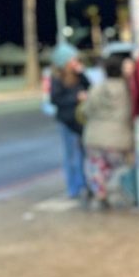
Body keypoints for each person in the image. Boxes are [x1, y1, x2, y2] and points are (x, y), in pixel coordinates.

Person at [82, 55, 134, 210]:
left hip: (94, 137)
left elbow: (86, 110)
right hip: (119, 139)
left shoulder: (96, 88)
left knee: (96, 167)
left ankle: (100, 195)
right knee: (120, 168)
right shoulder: (127, 89)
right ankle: (116, 193)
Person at [49, 43, 90, 200]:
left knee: (84, 155)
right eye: (72, 59)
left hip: (81, 120)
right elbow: (55, 99)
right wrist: (75, 98)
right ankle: (74, 188)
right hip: (67, 121)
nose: (75, 61)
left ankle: (85, 184)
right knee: (72, 157)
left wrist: (82, 73)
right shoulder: (57, 78)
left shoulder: (78, 75)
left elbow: (89, 87)